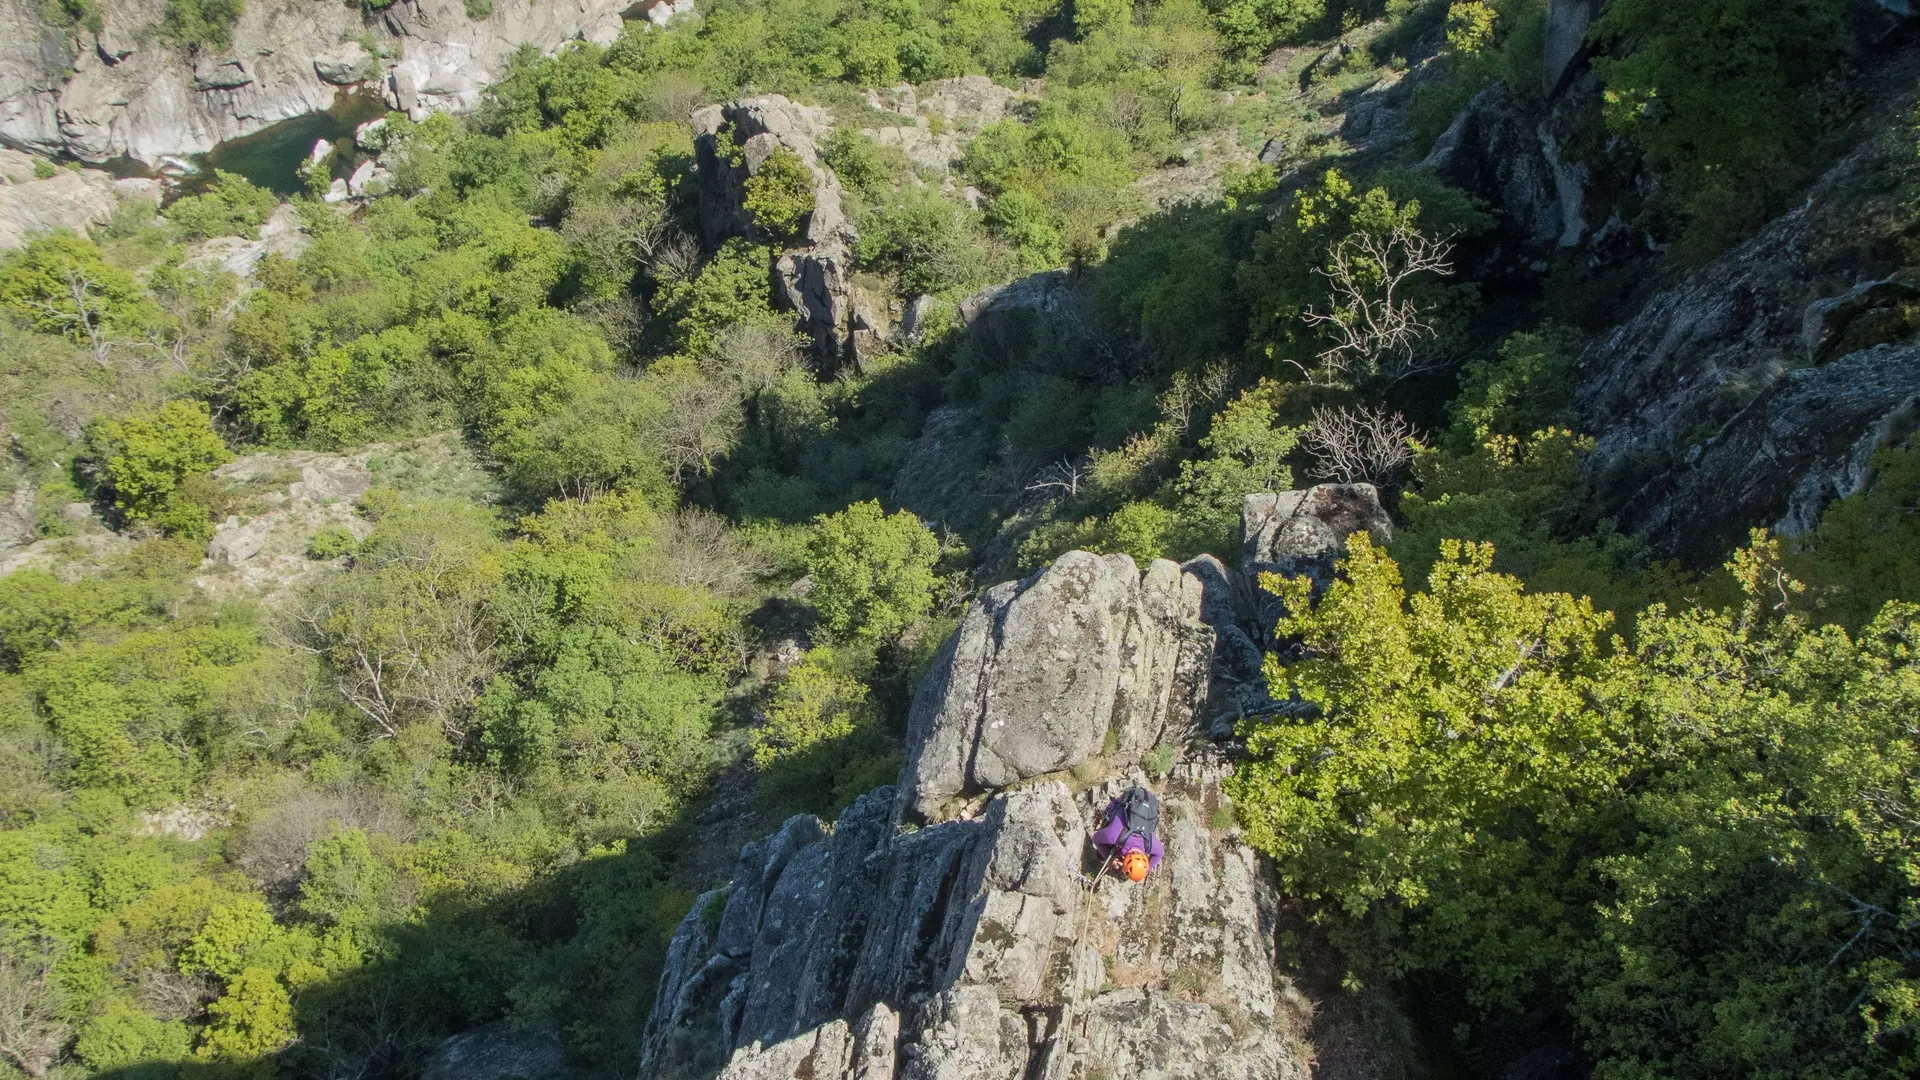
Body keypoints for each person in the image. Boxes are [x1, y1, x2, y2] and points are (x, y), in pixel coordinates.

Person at [1091, 785, 1164, 882]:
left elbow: (1160, 853)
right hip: (1125, 806)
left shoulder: (1149, 843)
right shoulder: (1114, 836)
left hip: (1139, 812)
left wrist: (1145, 871)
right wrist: (1109, 857)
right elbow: (1096, 838)